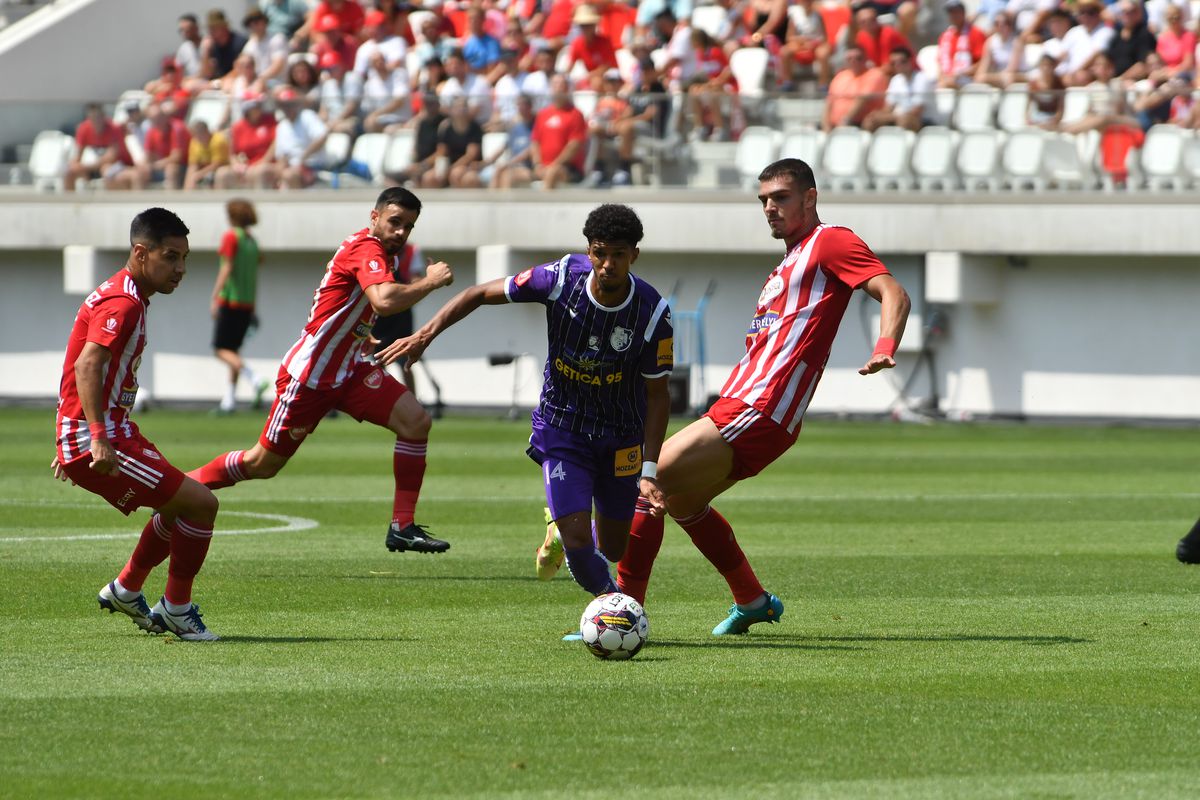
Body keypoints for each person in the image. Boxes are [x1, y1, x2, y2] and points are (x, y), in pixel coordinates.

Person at [615, 158, 911, 635]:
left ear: (810, 198)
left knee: (647, 481)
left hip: (760, 405)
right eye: (764, 200)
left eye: (781, 198)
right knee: (683, 503)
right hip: (752, 407)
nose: (770, 207)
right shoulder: (788, 264)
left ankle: (620, 612)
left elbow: (893, 291)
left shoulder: (831, 241)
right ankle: (752, 600)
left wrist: (885, 346)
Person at [377, 204, 673, 620]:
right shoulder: (559, 279)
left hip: (621, 434)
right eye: (600, 253)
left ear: (634, 256)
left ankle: (562, 529)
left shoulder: (653, 312)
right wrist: (425, 334)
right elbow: (478, 293)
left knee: (613, 547)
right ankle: (616, 612)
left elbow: (658, 396)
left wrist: (649, 471)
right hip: (563, 425)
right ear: (588, 251)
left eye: (618, 255)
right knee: (579, 544)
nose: (608, 264)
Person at [187, 188, 454, 555]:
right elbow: (384, 300)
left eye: (408, 226)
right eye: (394, 222)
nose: (400, 232)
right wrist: (431, 281)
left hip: (349, 370)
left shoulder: (378, 253)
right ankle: (181, 487)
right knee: (262, 464)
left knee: (416, 422)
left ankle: (402, 527)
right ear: (374, 217)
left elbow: (338, 301)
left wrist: (359, 333)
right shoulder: (367, 248)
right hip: (310, 378)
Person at [52, 208, 220, 641]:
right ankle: (177, 609)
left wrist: (72, 431)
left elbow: (76, 363)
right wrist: (92, 437)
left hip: (110, 431)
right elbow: (87, 365)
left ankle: (126, 589)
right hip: (106, 436)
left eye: (184, 258)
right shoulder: (123, 303)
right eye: (171, 257)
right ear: (141, 253)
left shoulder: (126, 294)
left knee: (178, 505)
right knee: (201, 505)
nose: (180, 268)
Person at [210, 199, 270, 415]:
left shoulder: (231, 237)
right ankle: (229, 401)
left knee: (221, 350)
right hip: (247, 304)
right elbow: (256, 270)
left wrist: (215, 297)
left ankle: (255, 379)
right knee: (234, 351)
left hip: (230, 301)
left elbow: (227, 267)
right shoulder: (252, 242)